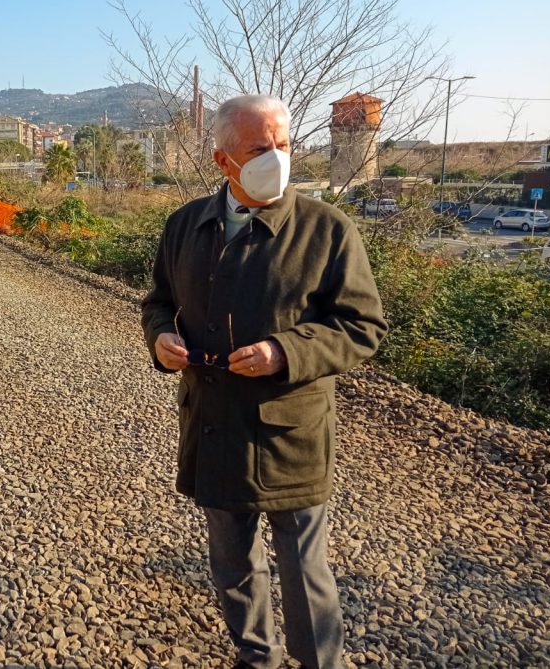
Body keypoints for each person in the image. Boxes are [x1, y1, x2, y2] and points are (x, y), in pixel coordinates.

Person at [141, 95, 387, 669]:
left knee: (304, 567)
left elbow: (362, 326)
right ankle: (257, 657)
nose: (277, 158)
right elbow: (158, 302)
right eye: (259, 149)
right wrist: (160, 338)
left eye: (284, 144)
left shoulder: (327, 230)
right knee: (232, 561)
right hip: (212, 422)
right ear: (222, 160)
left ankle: (319, 663)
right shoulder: (185, 226)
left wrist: (284, 351)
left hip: (289, 433)